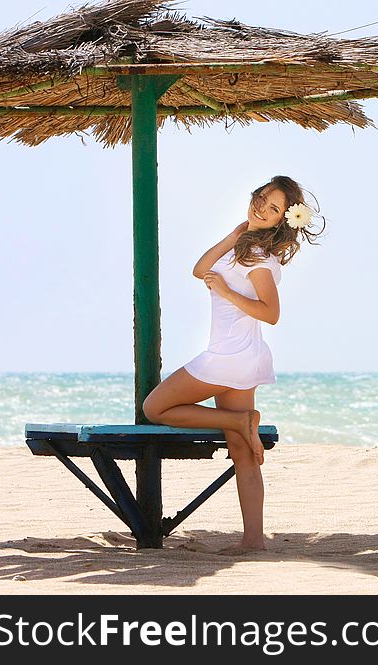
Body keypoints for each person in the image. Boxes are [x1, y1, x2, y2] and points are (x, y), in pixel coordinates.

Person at [142, 175, 323, 554]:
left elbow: (271, 314)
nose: (261, 207)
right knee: (242, 451)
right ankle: (253, 541)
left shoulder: (259, 259)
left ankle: (239, 422)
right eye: (261, 198)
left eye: (273, 208)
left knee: (154, 408)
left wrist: (224, 291)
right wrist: (234, 234)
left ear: (282, 222)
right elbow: (199, 269)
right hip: (241, 359)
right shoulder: (243, 249)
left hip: (227, 359)